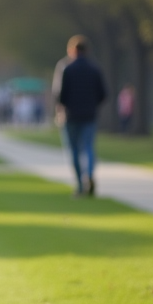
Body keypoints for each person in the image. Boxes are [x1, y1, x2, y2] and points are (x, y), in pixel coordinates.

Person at [55, 35, 107, 196]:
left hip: (71, 116)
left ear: (72, 50)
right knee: (89, 147)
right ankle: (89, 174)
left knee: (74, 150)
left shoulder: (67, 69)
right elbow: (103, 94)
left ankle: (79, 183)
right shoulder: (95, 69)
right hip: (89, 115)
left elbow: (61, 96)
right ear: (87, 50)